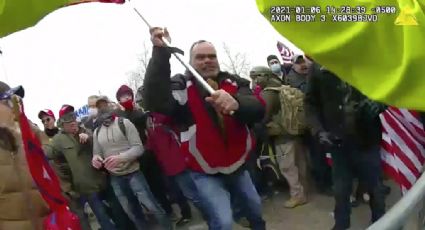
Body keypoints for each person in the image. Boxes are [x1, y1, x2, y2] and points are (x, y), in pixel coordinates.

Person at [142, 27, 266, 230]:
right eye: (200, 57)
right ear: (190, 62)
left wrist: (237, 103)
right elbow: (154, 100)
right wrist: (160, 54)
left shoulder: (233, 82)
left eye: (212, 56)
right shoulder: (181, 86)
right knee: (223, 222)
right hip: (204, 170)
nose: (207, 61)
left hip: (238, 165)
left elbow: (259, 107)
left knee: (255, 209)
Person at [305, 67, 386, 230]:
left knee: (375, 187)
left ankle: (383, 223)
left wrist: (380, 103)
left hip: (367, 140)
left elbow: (387, 85)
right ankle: (341, 224)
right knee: (341, 190)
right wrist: (319, 131)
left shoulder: (363, 58)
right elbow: (310, 104)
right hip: (338, 143)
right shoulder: (318, 68)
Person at [92, 107, 173, 230]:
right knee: (132, 212)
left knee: (151, 205)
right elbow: (97, 152)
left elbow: (138, 148)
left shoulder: (124, 123)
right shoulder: (97, 132)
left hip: (133, 173)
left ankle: (167, 227)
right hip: (115, 177)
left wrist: (121, 158)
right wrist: (96, 158)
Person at [45, 104, 114, 230]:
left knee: (117, 211)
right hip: (86, 187)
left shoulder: (85, 130)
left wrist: (89, 138)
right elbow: (45, 154)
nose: (72, 122)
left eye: (73, 117)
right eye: (68, 120)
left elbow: (100, 143)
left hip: (103, 180)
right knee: (102, 216)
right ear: (62, 123)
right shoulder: (58, 140)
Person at [251, 66, 308, 208]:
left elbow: (264, 116)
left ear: (265, 76)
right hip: (295, 131)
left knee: (287, 167)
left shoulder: (268, 93)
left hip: (281, 135)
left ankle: (297, 196)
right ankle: (303, 191)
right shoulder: (282, 87)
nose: (256, 81)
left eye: (257, 77)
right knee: (300, 163)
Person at [0, 81, 50, 230]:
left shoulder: (27, 134)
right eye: (8, 101)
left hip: (46, 223)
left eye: (16, 101)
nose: (15, 106)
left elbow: (48, 167)